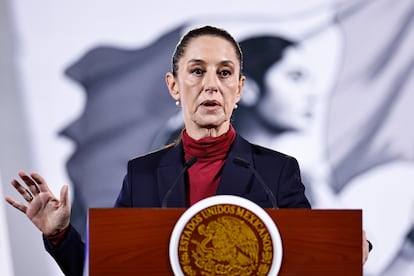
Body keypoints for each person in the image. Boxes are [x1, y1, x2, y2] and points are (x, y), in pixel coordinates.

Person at [4, 25, 369, 276]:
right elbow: (107, 267)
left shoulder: (279, 170)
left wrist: (348, 247)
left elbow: (308, 260)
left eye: (224, 73)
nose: (211, 84)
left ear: (240, 88)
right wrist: (60, 234)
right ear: (174, 86)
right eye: (197, 71)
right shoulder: (143, 173)